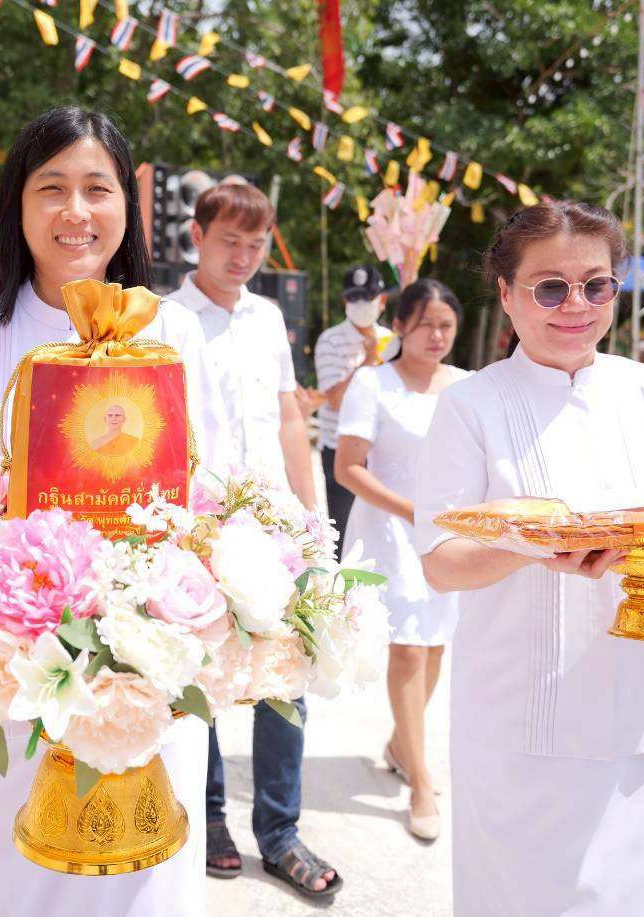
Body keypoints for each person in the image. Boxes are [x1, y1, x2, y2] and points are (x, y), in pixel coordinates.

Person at [414, 201, 644, 915]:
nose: (575, 305)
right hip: (519, 714)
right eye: (549, 286)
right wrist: (529, 547)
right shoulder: (470, 404)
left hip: (639, 703)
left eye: (595, 284)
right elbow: (439, 559)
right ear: (505, 292)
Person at [0, 106, 227, 917]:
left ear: (128, 205)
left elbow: (214, 499)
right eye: (50, 189)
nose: (75, 212)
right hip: (11, 683)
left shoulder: (176, 335)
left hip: (142, 682)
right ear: (17, 207)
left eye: (96, 187)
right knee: (16, 878)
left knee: (143, 884)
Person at [163, 182, 337, 900]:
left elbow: (288, 418)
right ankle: (207, 817)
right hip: (197, 528)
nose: (242, 255)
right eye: (228, 239)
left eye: (255, 242)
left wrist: (312, 514)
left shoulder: (267, 317)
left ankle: (279, 829)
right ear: (195, 236)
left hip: (273, 526)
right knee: (197, 675)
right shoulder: (164, 318)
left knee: (284, 676)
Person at [334, 278, 467, 841]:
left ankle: (398, 744)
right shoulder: (373, 383)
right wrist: (412, 510)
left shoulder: (465, 386)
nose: (437, 335)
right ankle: (420, 778)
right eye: (426, 324)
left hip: (449, 536)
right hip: (391, 532)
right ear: (403, 326)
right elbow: (348, 468)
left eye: (446, 325)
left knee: (435, 647)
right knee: (409, 651)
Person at [313, 265, 390, 539]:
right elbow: (335, 399)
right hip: (339, 449)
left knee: (382, 532)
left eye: (367, 297)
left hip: (382, 450)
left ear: (382, 300)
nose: (360, 305)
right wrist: (368, 361)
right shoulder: (330, 340)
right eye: (353, 298)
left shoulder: (392, 342)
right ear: (345, 300)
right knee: (343, 532)